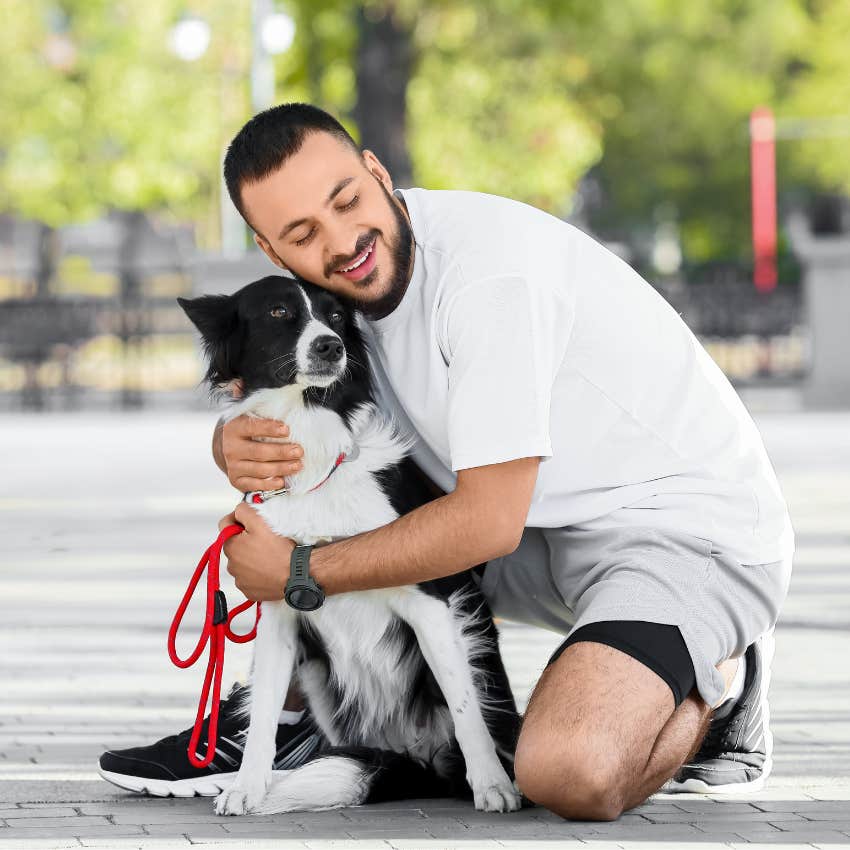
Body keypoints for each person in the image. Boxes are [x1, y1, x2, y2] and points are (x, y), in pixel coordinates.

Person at [100, 103, 794, 820]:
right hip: (540, 526)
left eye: (347, 201)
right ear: (272, 251)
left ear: (377, 172)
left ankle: (719, 682)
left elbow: (484, 524)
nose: (342, 242)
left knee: (566, 771)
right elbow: (338, 447)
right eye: (303, 234)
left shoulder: (487, 278)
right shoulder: (341, 302)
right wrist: (231, 444)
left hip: (681, 531)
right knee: (329, 517)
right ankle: (277, 722)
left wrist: (298, 575)